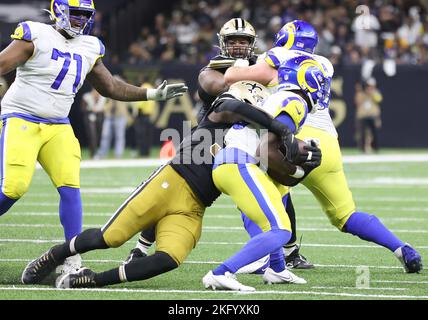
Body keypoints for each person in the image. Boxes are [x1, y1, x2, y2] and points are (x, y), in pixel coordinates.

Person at [21, 75, 309, 289]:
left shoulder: (254, 140)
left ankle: (93, 280)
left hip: (195, 205)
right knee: (110, 237)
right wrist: (279, 126)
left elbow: (277, 172)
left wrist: (303, 165)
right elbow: (234, 105)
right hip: (171, 181)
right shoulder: (222, 108)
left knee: (170, 258)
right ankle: (55, 254)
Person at [0, 0, 187, 274]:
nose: (79, 20)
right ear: (59, 10)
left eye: (84, 15)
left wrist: (151, 94)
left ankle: (72, 259)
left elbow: (110, 86)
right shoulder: (35, 33)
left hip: (59, 125)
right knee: (13, 187)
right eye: (75, 14)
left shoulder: (89, 46)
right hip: (22, 119)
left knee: (70, 188)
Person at [223, 20, 422, 274]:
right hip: (327, 144)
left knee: (261, 195)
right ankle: (401, 248)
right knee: (346, 214)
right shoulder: (323, 64)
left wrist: (239, 64)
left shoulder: (279, 56)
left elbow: (233, 77)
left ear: (284, 38)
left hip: (292, 138)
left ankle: (274, 262)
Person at [127, 18, 313, 271]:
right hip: (210, 139)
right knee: (176, 190)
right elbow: (221, 86)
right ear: (222, 44)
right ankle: (140, 248)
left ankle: (290, 252)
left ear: (252, 44)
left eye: (243, 41)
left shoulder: (261, 67)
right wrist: (249, 71)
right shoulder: (214, 69)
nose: (238, 46)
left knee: (280, 190)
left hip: (248, 137)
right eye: (233, 41)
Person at [203, 62, 324, 290]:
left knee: (282, 195)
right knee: (280, 229)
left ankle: (277, 268)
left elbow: (281, 174)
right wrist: (301, 167)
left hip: (239, 161)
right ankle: (222, 272)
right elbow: (267, 153)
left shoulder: (273, 100)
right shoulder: (294, 102)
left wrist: (303, 164)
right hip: (239, 161)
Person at [354, 78, 382, 153]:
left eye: (371, 86)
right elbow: (357, 102)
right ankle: (363, 148)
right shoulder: (360, 94)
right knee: (362, 133)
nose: (369, 88)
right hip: (363, 116)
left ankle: (375, 148)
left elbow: (379, 100)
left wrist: (372, 93)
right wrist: (361, 92)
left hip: (372, 115)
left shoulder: (375, 93)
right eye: (368, 86)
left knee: (374, 132)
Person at [81, 87, 106, 158]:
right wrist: (91, 109)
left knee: (99, 135)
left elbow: (105, 108)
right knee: (92, 135)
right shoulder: (87, 97)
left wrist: (101, 110)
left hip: (99, 117)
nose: (96, 94)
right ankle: (93, 153)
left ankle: (98, 152)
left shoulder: (102, 97)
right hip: (89, 117)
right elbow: (82, 109)